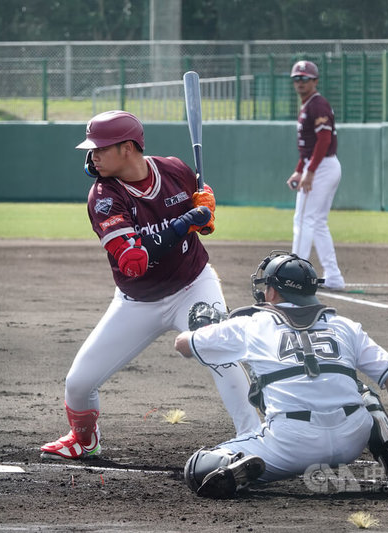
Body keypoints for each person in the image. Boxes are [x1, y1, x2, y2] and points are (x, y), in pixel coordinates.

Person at [39, 110, 261, 460]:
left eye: (100, 148)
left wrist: (206, 209)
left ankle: (254, 436)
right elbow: (133, 261)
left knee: (221, 353)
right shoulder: (103, 197)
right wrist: (186, 222)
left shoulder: (174, 169)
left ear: (128, 148)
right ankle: (84, 439)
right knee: (78, 385)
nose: (92, 156)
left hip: (194, 286)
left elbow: (202, 213)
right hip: (137, 300)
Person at [174, 251, 388, 498]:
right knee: (362, 393)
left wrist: (208, 328)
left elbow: (183, 345)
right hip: (352, 438)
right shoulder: (345, 326)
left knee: (197, 466)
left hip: (292, 445)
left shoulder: (251, 325)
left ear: (272, 291)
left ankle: (232, 463)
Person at [285, 60, 345, 290]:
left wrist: (309, 172)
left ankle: (294, 274)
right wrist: (300, 169)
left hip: (322, 166)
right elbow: (309, 147)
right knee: (317, 223)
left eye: (305, 78)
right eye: (297, 78)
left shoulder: (317, 105)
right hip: (320, 165)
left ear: (315, 81)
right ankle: (334, 277)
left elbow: (324, 140)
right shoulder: (309, 105)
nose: (300, 82)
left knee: (303, 220)